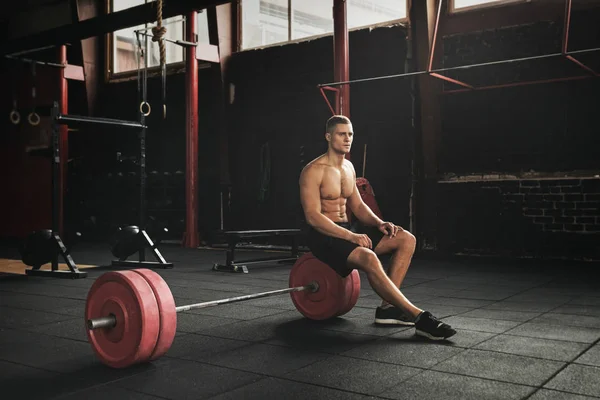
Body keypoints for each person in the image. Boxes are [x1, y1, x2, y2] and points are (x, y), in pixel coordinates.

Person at [299, 115, 456, 341]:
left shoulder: (349, 168)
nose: (347, 138)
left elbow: (358, 205)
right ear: (328, 136)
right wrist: (351, 236)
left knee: (406, 239)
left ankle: (387, 309)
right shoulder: (313, 170)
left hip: (347, 230)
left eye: (350, 134)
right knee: (369, 258)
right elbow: (313, 217)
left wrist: (378, 223)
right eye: (341, 134)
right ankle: (419, 317)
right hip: (324, 236)